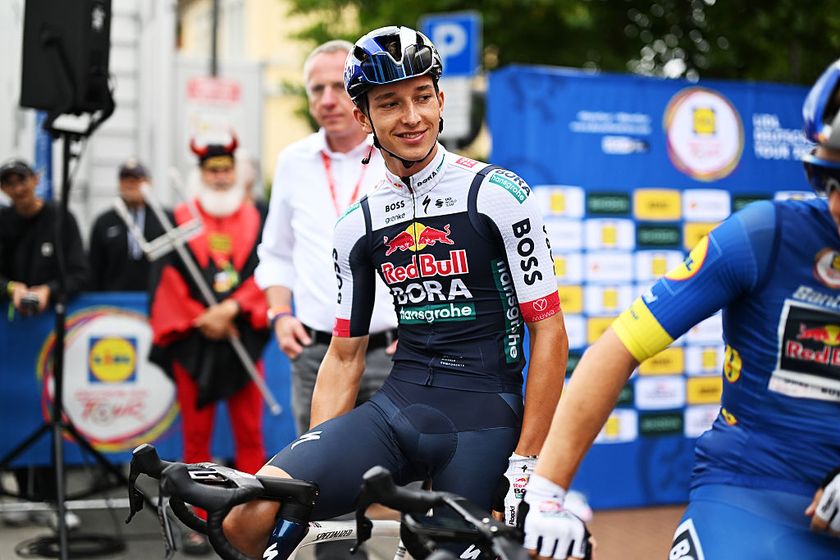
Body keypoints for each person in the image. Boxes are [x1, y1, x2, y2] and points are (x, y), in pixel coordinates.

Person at [223, 26, 569, 558]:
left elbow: (548, 331)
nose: (411, 117)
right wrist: (319, 456)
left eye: (422, 96)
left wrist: (527, 461)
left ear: (440, 99)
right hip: (398, 404)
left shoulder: (498, 194)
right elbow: (343, 356)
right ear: (363, 117)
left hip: (484, 415)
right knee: (246, 516)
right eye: (390, 103)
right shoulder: (356, 224)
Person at [520, 59, 840, 560]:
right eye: (833, 183)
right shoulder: (765, 236)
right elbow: (619, 347)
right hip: (750, 492)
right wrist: (546, 491)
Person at [255, 39, 398, 439]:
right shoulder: (293, 161)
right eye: (317, 89)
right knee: (318, 482)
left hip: (391, 353)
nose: (328, 99)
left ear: (360, 92)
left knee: (399, 480)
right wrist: (280, 315)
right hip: (316, 353)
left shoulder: (397, 154)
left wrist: (419, 329)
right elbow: (276, 252)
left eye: (338, 86)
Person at [148, 137, 269, 555]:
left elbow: (266, 270)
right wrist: (204, 319)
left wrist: (234, 311)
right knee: (196, 440)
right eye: (211, 170)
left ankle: (256, 516)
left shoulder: (259, 217)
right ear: (201, 174)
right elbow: (167, 280)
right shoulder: (179, 218)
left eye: (225, 168)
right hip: (196, 343)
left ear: (235, 171)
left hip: (242, 338)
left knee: (249, 436)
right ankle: (199, 520)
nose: (219, 176)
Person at [0, 158, 88, 530]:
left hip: (54, 336)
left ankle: (53, 498)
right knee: (19, 413)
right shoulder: (2, 222)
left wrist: (50, 290)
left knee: (52, 413)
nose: (18, 188)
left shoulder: (60, 218)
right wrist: (12, 289)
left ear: (36, 180)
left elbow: (82, 271)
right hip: (14, 338)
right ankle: (22, 495)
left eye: (23, 179)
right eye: (9, 182)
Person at [88, 159, 167, 291]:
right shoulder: (105, 222)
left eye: (136, 179)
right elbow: (94, 267)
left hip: (156, 296)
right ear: (119, 184)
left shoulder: (162, 219)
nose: (131, 185)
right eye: (126, 180)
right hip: (114, 299)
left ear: (148, 183)